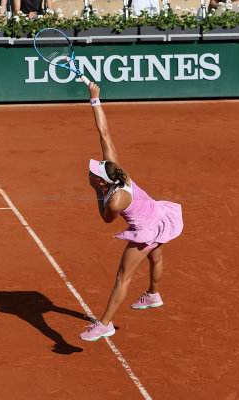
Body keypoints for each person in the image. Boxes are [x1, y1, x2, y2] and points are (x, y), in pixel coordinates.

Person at [80, 83, 183, 341]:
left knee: (123, 277)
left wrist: (96, 192)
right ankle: (153, 295)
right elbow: (104, 133)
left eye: (94, 174)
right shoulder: (115, 169)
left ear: (103, 182)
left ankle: (105, 324)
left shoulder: (114, 201)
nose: (92, 172)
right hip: (160, 216)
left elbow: (106, 219)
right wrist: (95, 99)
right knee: (156, 259)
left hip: (145, 230)